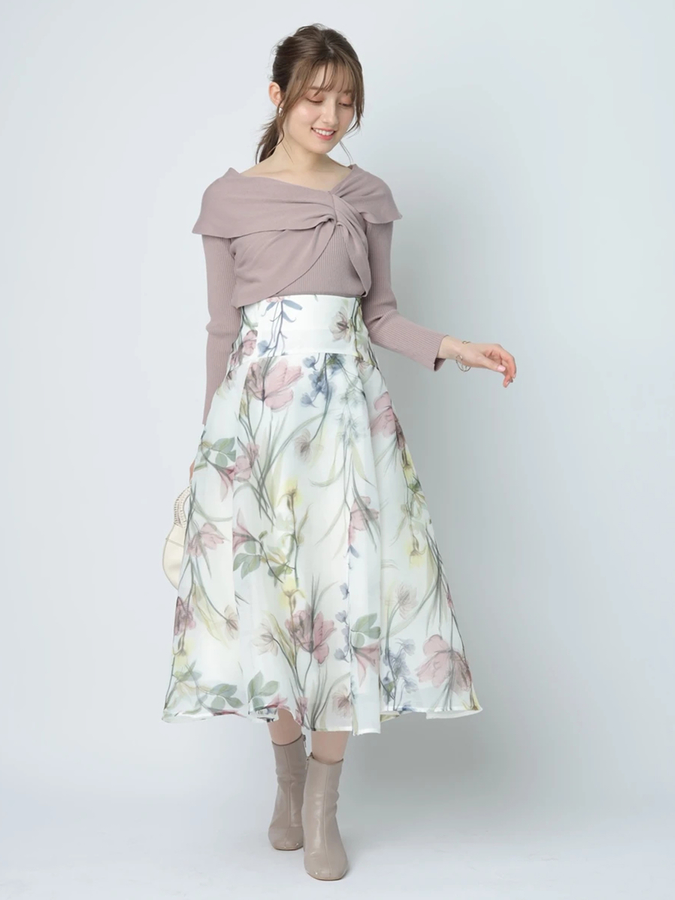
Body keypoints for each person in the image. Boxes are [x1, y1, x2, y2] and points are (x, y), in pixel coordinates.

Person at [162, 23, 516, 881]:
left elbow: (380, 315)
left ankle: (321, 807)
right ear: (277, 96)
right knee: (271, 611)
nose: (331, 115)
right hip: (256, 428)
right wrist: (211, 449)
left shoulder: (366, 195)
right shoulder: (228, 200)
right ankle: (286, 787)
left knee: (343, 603)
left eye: (346, 100)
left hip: (348, 428)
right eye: (315, 97)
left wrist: (452, 347)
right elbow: (221, 330)